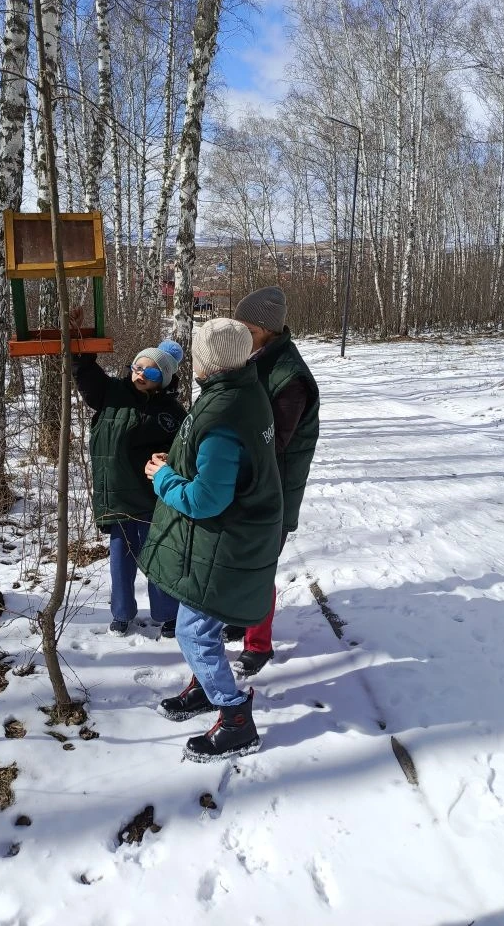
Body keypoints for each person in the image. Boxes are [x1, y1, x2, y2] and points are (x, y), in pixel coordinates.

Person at [138, 318, 283, 762]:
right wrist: (178, 459)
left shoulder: (223, 415)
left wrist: (163, 478)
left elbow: (205, 500)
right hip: (226, 539)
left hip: (224, 544)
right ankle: (205, 685)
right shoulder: (242, 391)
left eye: (198, 353)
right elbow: (219, 463)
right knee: (199, 628)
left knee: (193, 631)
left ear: (209, 361)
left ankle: (235, 718)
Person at [71, 308, 186, 637]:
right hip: (118, 495)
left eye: (149, 372)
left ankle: (167, 614)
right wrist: (78, 339)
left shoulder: (171, 411)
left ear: (163, 379)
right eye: (137, 367)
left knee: (158, 555)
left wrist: (169, 457)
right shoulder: (111, 393)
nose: (140, 374)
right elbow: (85, 371)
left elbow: (183, 448)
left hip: (152, 497)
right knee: (121, 558)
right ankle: (121, 613)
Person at [224, 286, 320, 677]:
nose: (240, 335)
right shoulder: (256, 358)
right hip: (249, 483)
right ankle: (240, 616)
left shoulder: (290, 377)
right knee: (236, 562)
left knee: (259, 569)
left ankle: (259, 645)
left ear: (267, 330)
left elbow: (273, 441)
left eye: (246, 329)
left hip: (273, 491)